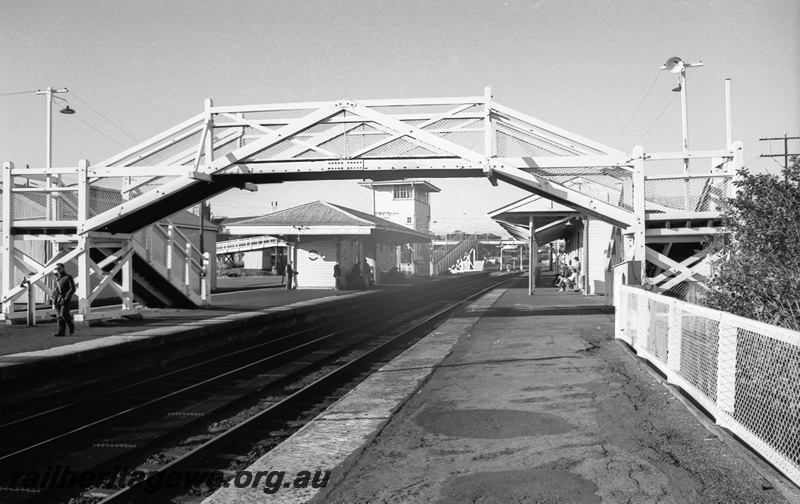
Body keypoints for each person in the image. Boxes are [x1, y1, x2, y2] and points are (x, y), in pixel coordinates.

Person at [52, 262, 76, 336]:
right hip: (56, 299)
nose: (57, 270)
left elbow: (72, 288)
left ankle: (71, 327)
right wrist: (53, 294)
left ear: (63, 268)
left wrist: (67, 296)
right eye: (56, 268)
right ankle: (61, 332)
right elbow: (57, 288)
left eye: (59, 268)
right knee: (59, 317)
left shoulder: (68, 277)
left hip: (64, 299)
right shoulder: (56, 278)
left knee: (64, 315)